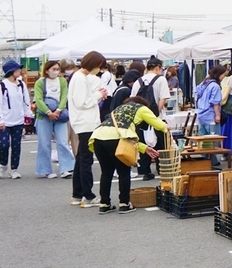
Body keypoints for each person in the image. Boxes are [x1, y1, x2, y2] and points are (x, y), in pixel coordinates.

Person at [91, 95, 168, 214]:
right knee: (123, 171)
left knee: (106, 172)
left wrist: (145, 148)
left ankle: (104, 204)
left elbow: (127, 136)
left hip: (98, 138)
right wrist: (167, 128)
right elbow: (160, 125)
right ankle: (124, 203)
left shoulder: (119, 109)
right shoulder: (141, 108)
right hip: (116, 139)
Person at [67, 51, 109, 207]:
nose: (99, 70)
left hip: (83, 122)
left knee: (81, 159)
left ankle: (77, 194)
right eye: (99, 66)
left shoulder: (79, 77)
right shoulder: (79, 78)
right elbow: (82, 102)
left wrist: (96, 94)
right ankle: (88, 195)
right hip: (85, 123)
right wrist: (98, 95)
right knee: (86, 160)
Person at [33, 61, 74, 178]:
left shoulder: (62, 81)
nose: (56, 71)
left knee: (63, 142)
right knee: (44, 143)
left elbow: (64, 97)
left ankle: (66, 168)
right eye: (53, 69)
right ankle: (46, 170)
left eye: (57, 69)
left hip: (60, 115)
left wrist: (58, 110)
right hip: (44, 116)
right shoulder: (40, 82)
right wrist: (48, 112)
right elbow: (38, 99)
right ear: (47, 70)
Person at [0, 60, 30, 179]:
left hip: (18, 119)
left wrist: (27, 116)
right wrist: (0, 119)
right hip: (4, 121)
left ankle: (14, 169)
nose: (20, 71)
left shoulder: (21, 84)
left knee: (16, 145)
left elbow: (26, 101)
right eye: (17, 69)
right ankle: (3, 165)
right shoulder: (1, 86)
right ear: (11, 72)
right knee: (4, 144)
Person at [135, 57, 171, 179]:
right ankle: (162, 168)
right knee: (162, 145)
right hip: (158, 118)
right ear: (157, 67)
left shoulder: (138, 81)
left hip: (140, 119)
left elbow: (133, 99)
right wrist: (155, 114)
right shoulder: (161, 80)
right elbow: (163, 98)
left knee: (143, 145)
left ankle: (145, 171)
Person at [195, 66, 226, 166]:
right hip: (210, 114)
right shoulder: (215, 86)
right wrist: (217, 115)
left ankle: (205, 159)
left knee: (204, 138)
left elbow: (196, 93)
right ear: (219, 74)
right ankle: (212, 160)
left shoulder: (204, 83)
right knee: (213, 139)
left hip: (201, 113)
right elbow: (215, 103)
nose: (223, 77)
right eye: (223, 75)